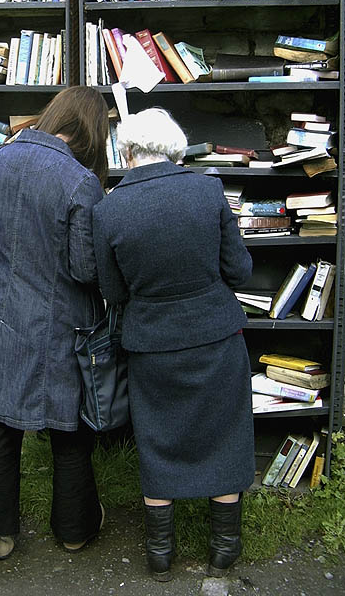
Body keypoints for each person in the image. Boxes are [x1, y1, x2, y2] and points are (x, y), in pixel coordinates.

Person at [92, 108, 255, 580]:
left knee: (158, 441)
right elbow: (239, 271)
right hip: (215, 335)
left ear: (126, 150)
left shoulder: (108, 210)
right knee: (223, 434)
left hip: (152, 343)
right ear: (174, 147)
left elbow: (113, 291)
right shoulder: (208, 190)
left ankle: (160, 555)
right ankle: (224, 549)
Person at [0, 86, 110, 561]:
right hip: (60, 321)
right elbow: (85, 270)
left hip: (0, 312)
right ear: (91, 132)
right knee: (68, 426)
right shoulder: (80, 182)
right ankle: (74, 530)